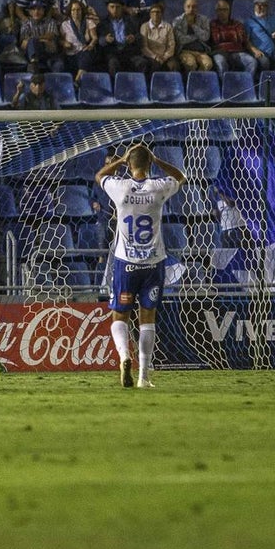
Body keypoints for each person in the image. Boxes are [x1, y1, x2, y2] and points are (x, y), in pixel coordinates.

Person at [96, 143, 185, 388]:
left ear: (129, 164)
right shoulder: (158, 188)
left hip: (126, 263)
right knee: (148, 319)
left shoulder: (120, 187)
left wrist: (120, 160)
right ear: (148, 164)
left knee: (119, 316)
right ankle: (144, 377)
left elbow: (100, 176)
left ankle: (125, 356)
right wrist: (158, 161)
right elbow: (181, 177)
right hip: (153, 263)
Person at [209, 0, 257, 79]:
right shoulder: (212, 24)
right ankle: (224, 86)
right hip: (219, 52)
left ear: (229, 11)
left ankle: (245, 84)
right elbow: (215, 40)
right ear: (216, 12)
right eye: (219, 10)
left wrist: (253, 49)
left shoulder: (237, 24)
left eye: (225, 9)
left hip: (237, 52)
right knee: (220, 62)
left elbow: (243, 40)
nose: (222, 12)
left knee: (252, 62)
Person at [97, 0, 144, 78]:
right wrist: (105, 39)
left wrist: (134, 38)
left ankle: (138, 87)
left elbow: (139, 37)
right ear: (108, 8)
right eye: (112, 7)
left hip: (129, 53)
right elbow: (99, 40)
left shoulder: (131, 21)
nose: (115, 10)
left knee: (142, 63)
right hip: (113, 54)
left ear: (122, 8)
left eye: (118, 7)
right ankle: (114, 88)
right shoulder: (103, 23)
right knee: (113, 63)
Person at [245, 0, 275, 72]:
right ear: (255, 6)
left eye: (264, 5)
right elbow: (246, 41)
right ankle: (264, 83)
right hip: (260, 52)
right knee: (264, 62)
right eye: (259, 5)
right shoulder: (249, 22)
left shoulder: (273, 19)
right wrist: (255, 51)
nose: (261, 8)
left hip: (273, 52)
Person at [18, 0, 62, 73]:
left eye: (39, 9)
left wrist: (34, 40)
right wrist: (42, 41)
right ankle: (34, 62)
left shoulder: (50, 21)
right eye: (33, 9)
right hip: (30, 56)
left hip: (49, 55)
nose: (36, 12)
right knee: (32, 45)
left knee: (59, 65)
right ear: (29, 12)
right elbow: (24, 44)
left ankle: (34, 62)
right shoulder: (26, 24)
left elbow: (50, 36)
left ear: (43, 10)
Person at [60, 0, 97, 83]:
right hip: (70, 53)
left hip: (83, 52)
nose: (76, 12)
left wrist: (91, 45)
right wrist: (64, 43)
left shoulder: (89, 22)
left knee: (87, 53)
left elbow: (94, 38)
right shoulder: (65, 25)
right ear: (70, 11)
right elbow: (60, 40)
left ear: (82, 11)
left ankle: (77, 81)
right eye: (73, 10)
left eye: (78, 9)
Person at [140, 1, 177, 73]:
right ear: (150, 14)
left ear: (162, 14)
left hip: (165, 56)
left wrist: (165, 57)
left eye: (158, 12)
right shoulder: (144, 26)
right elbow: (144, 47)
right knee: (155, 65)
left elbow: (171, 45)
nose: (155, 14)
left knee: (173, 65)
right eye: (153, 12)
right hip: (150, 56)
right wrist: (155, 57)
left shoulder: (168, 26)